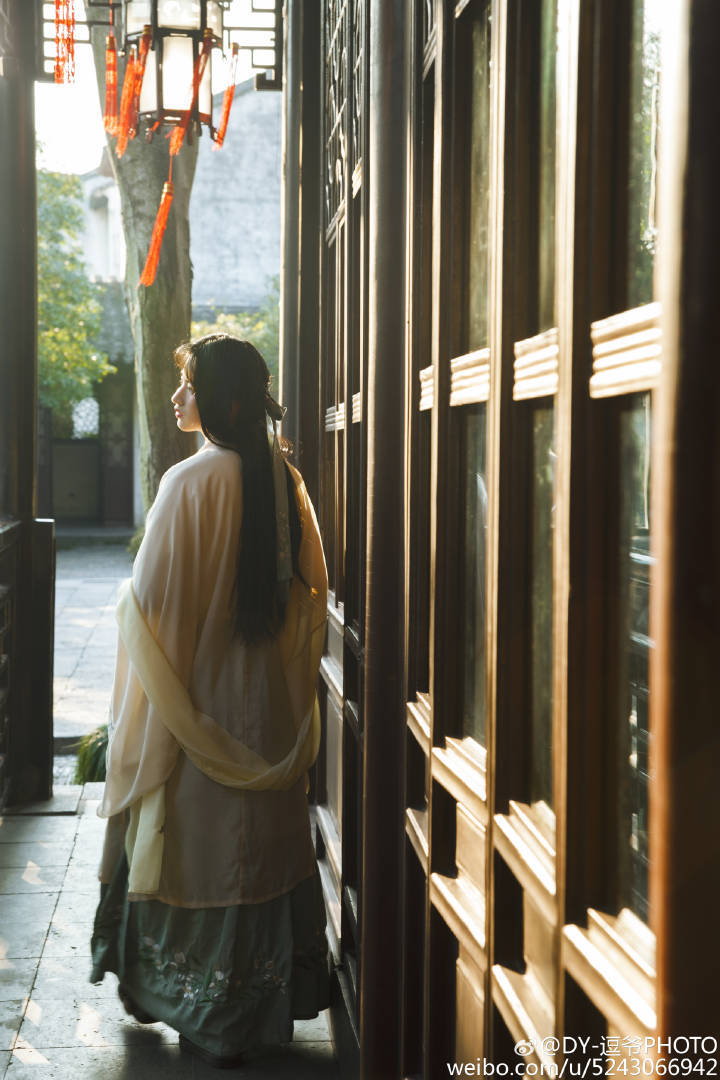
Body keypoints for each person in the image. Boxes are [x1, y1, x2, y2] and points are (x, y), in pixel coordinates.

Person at [90, 334, 330, 1068]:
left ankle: (192, 1000)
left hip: (197, 705)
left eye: (187, 382)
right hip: (264, 712)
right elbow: (311, 598)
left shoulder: (187, 485)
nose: (175, 396)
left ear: (223, 401)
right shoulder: (281, 480)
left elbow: (154, 611)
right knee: (257, 847)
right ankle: (256, 1006)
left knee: (197, 846)